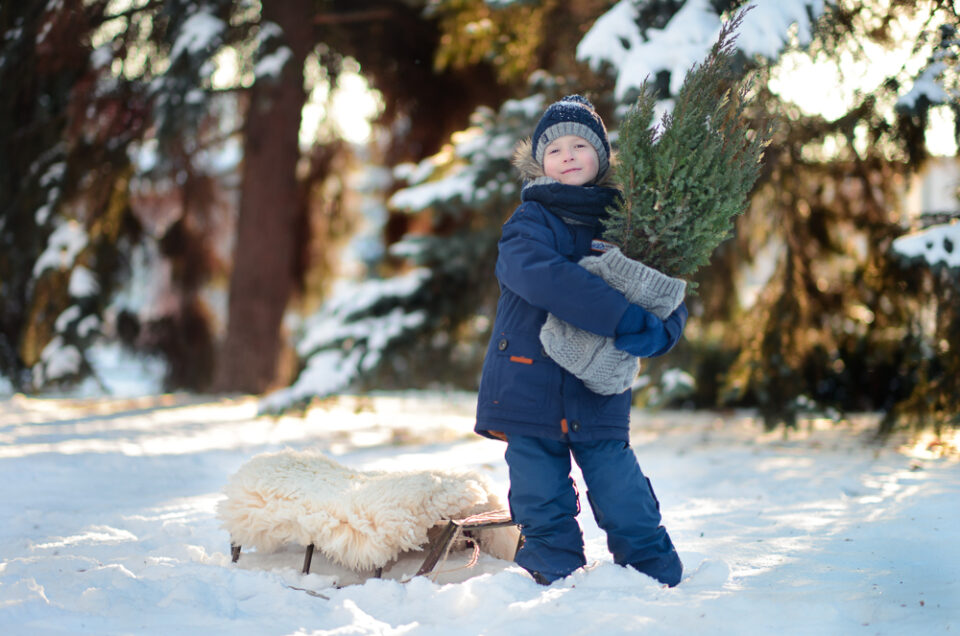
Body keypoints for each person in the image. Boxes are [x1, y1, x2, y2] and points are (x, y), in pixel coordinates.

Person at [474, 95, 687, 587]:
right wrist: (625, 318)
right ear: (540, 162)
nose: (567, 155)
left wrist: (663, 330)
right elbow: (549, 280)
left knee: (621, 489)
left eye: (579, 145)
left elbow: (666, 289)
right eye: (554, 149)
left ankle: (653, 572)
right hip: (527, 380)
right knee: (539, 491)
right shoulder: (528, 223)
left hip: (598, 385)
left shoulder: (627, 228)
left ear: (602, 158)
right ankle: (552, 567)